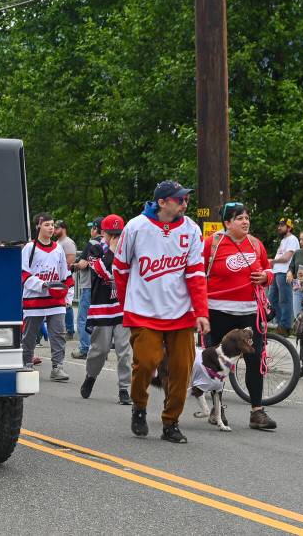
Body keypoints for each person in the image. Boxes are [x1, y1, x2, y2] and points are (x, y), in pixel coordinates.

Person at [114, 180, 209, 444]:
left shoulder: (191, 229)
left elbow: (196, 274)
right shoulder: (136, 227)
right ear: (163, 202)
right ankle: (139, 406)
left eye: (186, 199)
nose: (185, 203)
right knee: (145, 363)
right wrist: (126, 305)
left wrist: (201, 311)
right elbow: (120, 269)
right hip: (144, 310)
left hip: (181, 313)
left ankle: (171, 422)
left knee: (181, 369)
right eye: (180, 199)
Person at [202, 202, 276, 430]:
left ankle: (257, 412)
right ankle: (217, 409)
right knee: (216, 364)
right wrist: (199, 312)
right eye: (239, 218)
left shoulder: (255, 244)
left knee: (254, 360)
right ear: (227, 222)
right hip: (217, 312)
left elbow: (268, 268)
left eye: (246, 218)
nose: (245, 222)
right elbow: (195, 274)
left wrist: (266, 277)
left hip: (249, 313)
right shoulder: (211, 244)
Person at [80, 214, 133, 405]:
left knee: (124, 351)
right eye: (113, 234)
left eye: (119, 234)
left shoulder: (128, 249)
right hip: (101, 307)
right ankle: (91, 376)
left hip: (121, 308)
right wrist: (111, 250)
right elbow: (100, 271)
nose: (117, 238)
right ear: (104, 233)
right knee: (99, 350)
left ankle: (124, 389)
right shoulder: (94, 248)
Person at [20, 212, 73, 382]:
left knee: (58, 334)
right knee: (29, 335)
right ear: (38, 227)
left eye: (52, 225)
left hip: (56, 300)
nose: (51, 228)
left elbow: (65, 275)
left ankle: (58, 367)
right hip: (34, 300)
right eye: (47, 225)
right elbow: (23, 274)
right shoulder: (29, 248)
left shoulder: (58, 248)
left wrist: (68, 296)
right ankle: (26, 363)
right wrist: (42, 285)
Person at [71, 217, 104, 358]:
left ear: (95, 229)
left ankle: (84, 348)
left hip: (88, 285)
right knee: (99, 318)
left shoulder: (92, 243)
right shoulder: (108, 243)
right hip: (103, 286)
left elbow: (83, 264)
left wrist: (74, 266)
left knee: (83, 318)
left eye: (92, 227)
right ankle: (101, 349)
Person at [266, 217, 299, 336]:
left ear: (289, 228)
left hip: (285, 272)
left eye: (282, 225)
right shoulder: (283, 240)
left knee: (285, 300)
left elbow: (287, 257)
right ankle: (280, 325)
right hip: (277, 272)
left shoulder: (292, 239)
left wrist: (272, 261)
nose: (279, 227)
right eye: (279, 225)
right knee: (272, 299)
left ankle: (285, 326)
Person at [53, 220, 78, 336]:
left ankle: (69, 330)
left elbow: (70, 262)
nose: (54, 230)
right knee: (60, 305)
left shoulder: (68, 242)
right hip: (57, 279)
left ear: (63, 229)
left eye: (56, 228)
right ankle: (62, 329)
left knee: (67, 305)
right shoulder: (57, 242)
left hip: (65, 279)